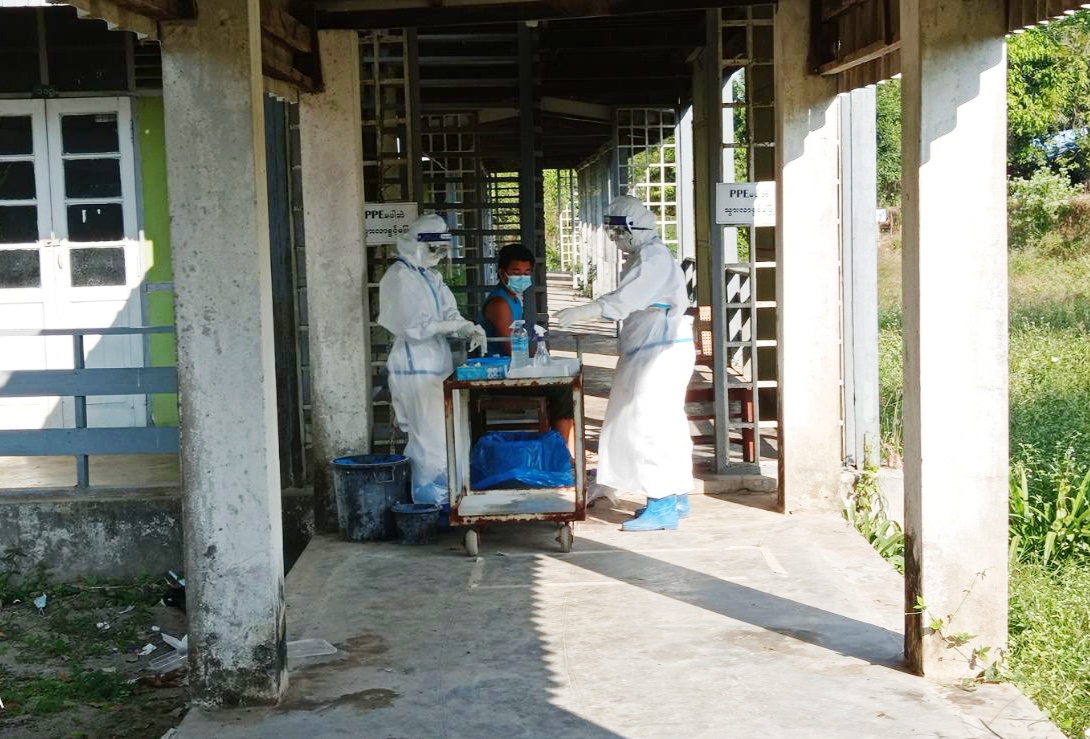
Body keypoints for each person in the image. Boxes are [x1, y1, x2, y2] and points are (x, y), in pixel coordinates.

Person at [555, 195, 695, 531]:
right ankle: (676, 495)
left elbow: (625, 300)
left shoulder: (652, 259)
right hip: (655, 347)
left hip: (659, 352)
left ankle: (662, 502)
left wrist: (585, 311)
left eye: (620, 232)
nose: (616, 239)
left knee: (648, 426)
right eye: (612, 233)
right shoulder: (646, 255)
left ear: (636, 228)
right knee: (665, 424)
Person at [378, 214, 487, 506]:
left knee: (450, 437)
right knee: (430, 444)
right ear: (417, 244)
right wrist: (452, 326)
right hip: (415, 367)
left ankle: (450, 502)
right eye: (434, 249)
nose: (439, 255)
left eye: (443, 250)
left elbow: (448, 311)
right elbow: (413, 328)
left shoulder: (430, 276)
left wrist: (465, 326)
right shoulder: (400, 277)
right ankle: (429, 508)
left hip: (437, 364)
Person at [479, 244, 576, 450]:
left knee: (565, 381)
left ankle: (560, 447)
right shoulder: (499, 303)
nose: (522, 277)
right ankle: (560, 451)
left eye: (526, 272)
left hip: (513, 370)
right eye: (516, 272)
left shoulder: (514, 299)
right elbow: (511, 348)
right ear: (502, 273)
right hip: (498, 376)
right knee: (562, 390)